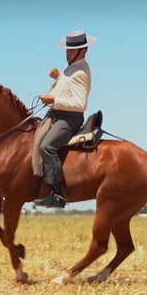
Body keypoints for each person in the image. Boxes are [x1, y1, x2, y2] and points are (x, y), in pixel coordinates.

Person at [34, 30, 96, 208]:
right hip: (58, 115)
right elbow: (68, 87)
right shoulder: (72, 68)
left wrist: (53, 100)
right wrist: (58, 76)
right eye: (67, 50)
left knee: (47, 146)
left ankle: (58, 194)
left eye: (71, 50)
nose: (67, 53)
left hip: (69, 119)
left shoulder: (81, 72)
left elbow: (79, 103)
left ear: (82, 51)